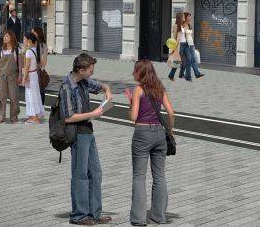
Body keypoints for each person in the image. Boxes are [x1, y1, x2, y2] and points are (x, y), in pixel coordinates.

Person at [60, 53, 113, 225]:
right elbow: (68, 117)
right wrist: (93, 114)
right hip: (77, 133)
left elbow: (101, 85)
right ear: (81, 70)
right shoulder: (67, 86)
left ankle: (94, 213)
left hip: (88, 132)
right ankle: (79, 215)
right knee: (80, 175)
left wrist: (108, 91)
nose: (92, 72)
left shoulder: (83, 81)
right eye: (90, 70)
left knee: (96, 173)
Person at [123, 60, 174, 226]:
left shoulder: (138, 90)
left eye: (135, 71)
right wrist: (170, 131)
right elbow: (171, 112)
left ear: (141, 73)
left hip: (142, 133)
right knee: (159, 175)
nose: (133, 74)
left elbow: (133, 117)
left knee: (139, 176)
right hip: (160, 132)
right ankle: (159, 216)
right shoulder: (160, 88)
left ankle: (138, 219)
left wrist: (131, 102)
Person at [0, 31, 21, 124]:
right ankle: (1, 116)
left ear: (11, 38)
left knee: (14, 97)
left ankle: (14, 116)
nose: (4, 38)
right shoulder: (0, 50)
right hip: (2, 76)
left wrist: (20, 75)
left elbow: (20, 65)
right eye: (4, 36)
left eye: (7, 36)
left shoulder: (17, 49)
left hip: (13, 75)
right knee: (2, 97)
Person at [20, 32, 45, 124]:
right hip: (34, 75)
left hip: (30, 75)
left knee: (30, 96)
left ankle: (34, 118)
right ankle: (33, 116)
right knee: (35, 95)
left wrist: (24, 78)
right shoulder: (35, 50)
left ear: (29, 40)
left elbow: (26, 67)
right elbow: (40, 64)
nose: (23, 41)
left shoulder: (29, 52)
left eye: (24, 39)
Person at [32, 26, 49, 105]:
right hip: (32, 68)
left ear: (38, 33)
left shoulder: (43, 45)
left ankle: (41, 105)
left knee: (41, 88)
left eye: (33, 32)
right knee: (33, 89)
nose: (32, 33)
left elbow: (45, 58)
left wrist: (42, 68)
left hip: (38, 68)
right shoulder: (32, 43)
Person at [167, 13, 185, 81]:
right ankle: (171, 75)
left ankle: (172, 75)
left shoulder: (182, 26)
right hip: (178, 46)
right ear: (180, 17)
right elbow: (174, 37)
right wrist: (173, 48)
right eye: (183, 16)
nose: (184, 17)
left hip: (183, 45)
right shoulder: (176, 26)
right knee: (177, 61)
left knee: (180, 61)